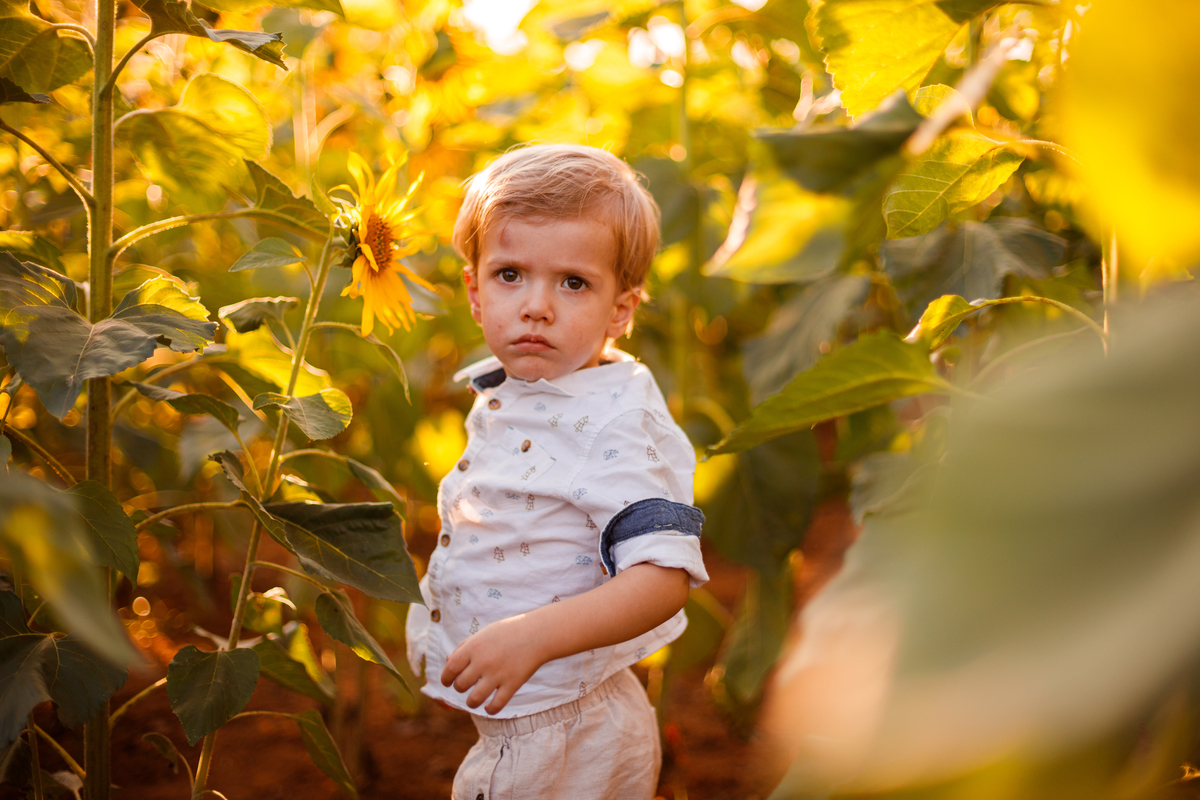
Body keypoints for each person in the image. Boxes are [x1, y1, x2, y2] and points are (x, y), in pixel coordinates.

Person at [405, 143, 709, 800]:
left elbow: (663, 578)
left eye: (574, 282)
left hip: (557, 725)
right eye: (510, 274)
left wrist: (533, 638)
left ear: (621, 310)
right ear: (475, 291)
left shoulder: (613, 425)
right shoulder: (526, 392)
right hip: (557, 709)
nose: (537, 305)